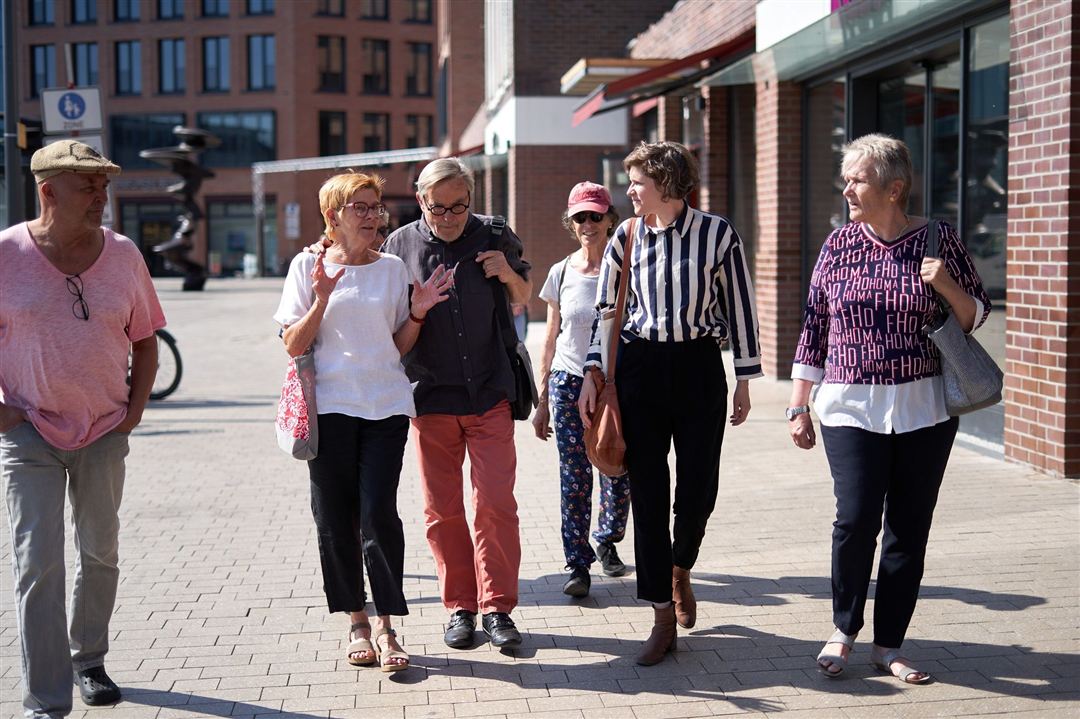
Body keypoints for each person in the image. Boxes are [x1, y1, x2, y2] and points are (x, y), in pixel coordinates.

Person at [789, 134, 991, 684]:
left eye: (856, 179)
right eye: (846, 178)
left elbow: (974, 316)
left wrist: (944, 282)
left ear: (893, 188)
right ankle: (843, 629)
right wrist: (798, 403)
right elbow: (815, 325)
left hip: (923, 409)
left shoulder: (938, 239)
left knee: (908, 529)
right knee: (854, 521)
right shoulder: (838, 245)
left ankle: (890, 644)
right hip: (850, 406)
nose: (846, 188)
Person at [578, 141, 761, 666]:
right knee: (651, 493)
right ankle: (661, 614)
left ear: (666, 183)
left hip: (700, 367)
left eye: (637, 182)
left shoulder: (718, 234)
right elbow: (606, 311)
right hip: (640, 371)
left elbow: (742, 307)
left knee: (699, 485)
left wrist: (745, 377)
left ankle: (682, 566)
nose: (629, 191)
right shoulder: (625, 237)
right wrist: (594, 371)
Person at [0, 140, 165, 717]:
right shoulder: (5, 254)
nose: (102, 195)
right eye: (88, 185)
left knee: (100, 553)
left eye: (104, 185)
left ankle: (88, 658)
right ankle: (46, 702)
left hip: (103, 431)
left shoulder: (123, 255)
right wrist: (4, 413)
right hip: (29, 434)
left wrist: (134, 412)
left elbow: (145, 341)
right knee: (36, 563)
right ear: (48, 191)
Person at [276, 172, 453, 672]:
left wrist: (416, 314)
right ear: (333, 216)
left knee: (378, 514)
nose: (375, 215)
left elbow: (395, 347)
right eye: (362, 207)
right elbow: (292, 344)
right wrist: (322, 297)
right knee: (334, 519)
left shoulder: (393, 269)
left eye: (376, 207)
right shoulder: (306, 266)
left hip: (386, 406)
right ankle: (356, 618)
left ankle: (388, 624)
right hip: (328, 409)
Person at [379, 158, 532, 649]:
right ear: (420, 199)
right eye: (437, 207)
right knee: (442, 512)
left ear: (470, 199)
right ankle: (460, 607)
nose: (448, 216)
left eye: (458, 206)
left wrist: (507, 272)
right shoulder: (398, 247)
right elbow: (389, 326)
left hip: (489, 393)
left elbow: (525, 294)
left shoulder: (494, 233)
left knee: (494, 505)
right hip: (431, 398)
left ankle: (498, 609)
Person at [532, 181, 631, 598]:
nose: (588, 224)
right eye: (580, 218)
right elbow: (551, 337)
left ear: (610, 219)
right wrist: (541, 402)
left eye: (595, 215)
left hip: (615, 383)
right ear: (570, 224)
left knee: (617, 467)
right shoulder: (561, 272)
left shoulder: (628, 266)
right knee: (574, 477)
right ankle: (578, 562)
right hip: (568, 381)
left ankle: (607, 537)